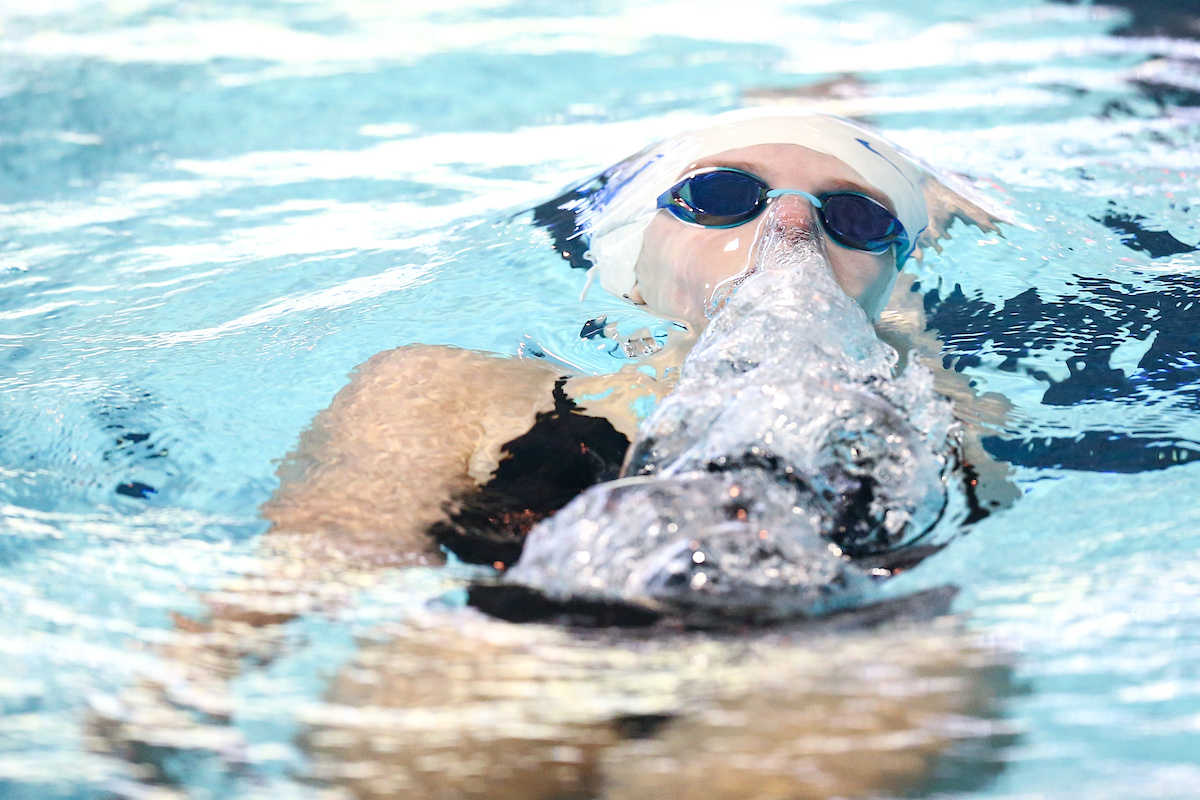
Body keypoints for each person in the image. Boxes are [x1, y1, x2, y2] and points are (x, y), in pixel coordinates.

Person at [256, 107, 1014, 593]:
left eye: (853, 217)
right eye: (723, 196)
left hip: (809, 681)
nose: (791, 227)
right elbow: (298, 582)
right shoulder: (451, 393)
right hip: (516, 671)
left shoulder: (923, 418)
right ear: (633, 271)